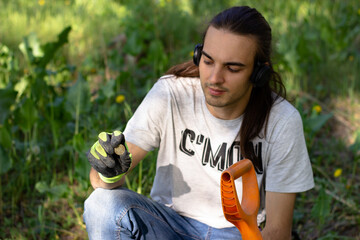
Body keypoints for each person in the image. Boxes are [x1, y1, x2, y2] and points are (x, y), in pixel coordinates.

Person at [83, 6, 314, 240]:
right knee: (101, 204)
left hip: (238, 234)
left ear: (258, 75)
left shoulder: (282, 121)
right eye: (208, 61)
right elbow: (99, 183)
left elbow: (277, 231)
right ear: (198, 56)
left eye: (232, 68)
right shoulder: (170, 94)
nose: (215, 78)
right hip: (170, 225)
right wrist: (108, 173)